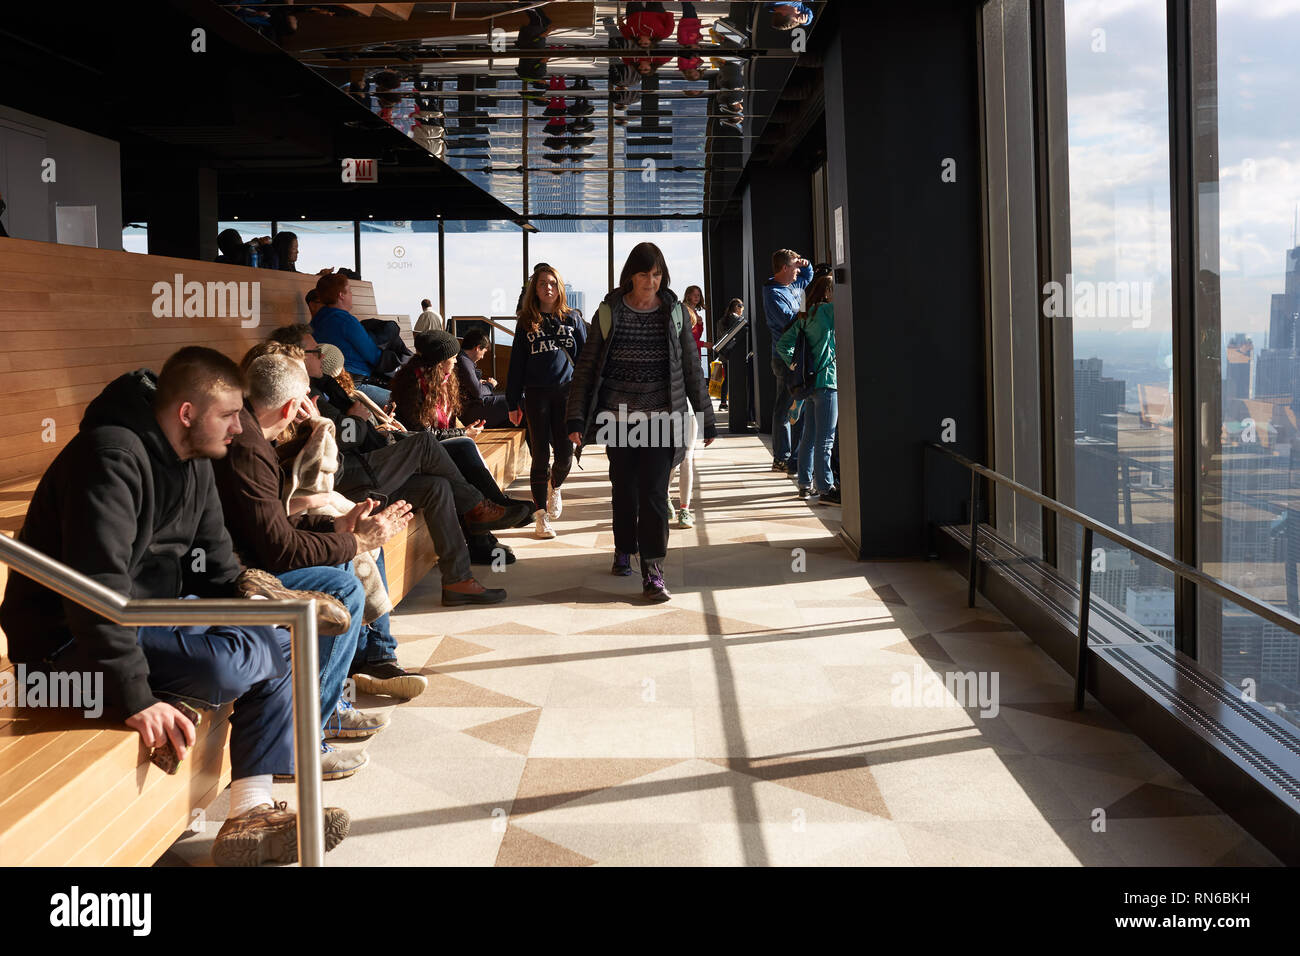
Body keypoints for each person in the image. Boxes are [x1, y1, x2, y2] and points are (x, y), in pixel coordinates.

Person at [0, 346, 350, 865]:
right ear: (187, 413)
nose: (239, 429)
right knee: (223, 663)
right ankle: (174, 682)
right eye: (229, 416)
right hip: (67, 641)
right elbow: (94, 593)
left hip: (152, 614)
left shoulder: (195, 458)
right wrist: (137, 697)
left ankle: (250, 812)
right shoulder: (110, 458)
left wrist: (248, 602)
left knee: (282, 638)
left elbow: (216, 567)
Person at [213, 349, 416, 779]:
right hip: (234, 577)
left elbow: (277, 531)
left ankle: (331, 709)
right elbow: (279, 552)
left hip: (250, 561)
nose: (312, 405)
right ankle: (305, 738)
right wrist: (353, 538)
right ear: (290, 407)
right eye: (307, 397)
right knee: (343, 586)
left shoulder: (252, 434)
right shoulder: (249, 448)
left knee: (343, 567)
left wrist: (339, 529)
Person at [267, 325, 532, 603]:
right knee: (425, 445)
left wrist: (376, 426)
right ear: (295, 356)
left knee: (437, 487)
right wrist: (357, 420)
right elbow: (335, 443)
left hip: (364, 466)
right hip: (346, 479)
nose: (322, 356)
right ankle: (477, 509)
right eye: (315, 351)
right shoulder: (301, 397)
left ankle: (458, 579)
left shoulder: (321, 387)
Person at [565, 242, 717, 602]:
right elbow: (586, 369)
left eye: (657, 274)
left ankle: (653, 570)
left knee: (653, 493)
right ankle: (623, 547)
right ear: (630, 275)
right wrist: (575, 417)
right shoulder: (610, 312)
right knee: (624, 490)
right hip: (619, 419)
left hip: (664, 418)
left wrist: (706, 418)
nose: (651, 281)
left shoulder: (674, 312)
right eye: (644, 274)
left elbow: (692, 368)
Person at [390, 330, 535, 563]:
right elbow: (422, 436)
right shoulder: (412, 386)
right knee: (463, 449)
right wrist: (462, 433)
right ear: (440, 360)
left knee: (462, 461)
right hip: (416, 455)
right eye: (453, 357)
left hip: (436, 452)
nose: (457, 361)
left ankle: (482, 539)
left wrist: (462, 433)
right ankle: (495, 508)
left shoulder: (442, 381)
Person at [507, 264, 587, 539]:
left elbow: (585, 360)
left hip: (567, 394)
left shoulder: (573, 319)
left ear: (560, 287)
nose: (548, 288)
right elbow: (516, 364)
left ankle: (556, 485)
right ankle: (541, 516)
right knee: (540, 455)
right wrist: (512, 401)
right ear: (535, 289)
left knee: (565, 455)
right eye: (542, 284)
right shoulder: (526, 322)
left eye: (553, 283)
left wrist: (587, 398)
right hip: (536, 395)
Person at [775, 276, 839, 505]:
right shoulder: (829, 312)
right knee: (826, 439)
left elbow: (783, 344)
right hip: (828, 381)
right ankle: (825, 488)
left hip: (810, 384)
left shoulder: (806, 314)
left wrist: (794, 364)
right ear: (828, 292)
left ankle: (804, 484)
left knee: (808, 437)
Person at [763, 249, 814, 474]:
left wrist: (806, 263)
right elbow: (788, 321)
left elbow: (808, 277)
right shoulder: (772, 293)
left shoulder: (793, 285)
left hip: (797, 356)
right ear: (784, 268)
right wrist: (813, 317)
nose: (798, 271)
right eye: (794, 266)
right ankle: (782, 458)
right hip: (784, 358)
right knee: (784, 409)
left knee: (797, 407)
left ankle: (793, 458)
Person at [310, 272, 395, 404]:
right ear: (341, 295)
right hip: (353, 384)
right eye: (349, 291)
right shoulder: (346, 321)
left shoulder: (316, 321)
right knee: (403, 400)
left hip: (328, 384)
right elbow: (373, 355)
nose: (351, 295)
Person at [669, 285, 709, 528]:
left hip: (687, 405)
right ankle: (669, 500)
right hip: (670, 406)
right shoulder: (671, 355)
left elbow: (698, 389)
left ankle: (683, 506)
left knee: (686, 457)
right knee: (674, 458)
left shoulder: (688, 360)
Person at [454, 328, 511, 428]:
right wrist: (490, 385)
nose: (482, 357)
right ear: (478, 348)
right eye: (483, 352)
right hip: (470, 411)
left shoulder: (463, 360)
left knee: (520, 414)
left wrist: (479, 383)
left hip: (470, 409)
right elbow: (478, 393)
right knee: (518, 400)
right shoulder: (463, 361)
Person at [716, 298, 746, 410]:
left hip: (725, 354)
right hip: (736, 354)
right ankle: (738, 403)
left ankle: (723, 402)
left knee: (727, 378)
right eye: (741, 307)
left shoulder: (721, 320)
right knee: (737, 378)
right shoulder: (737, 319)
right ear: (738, 307)